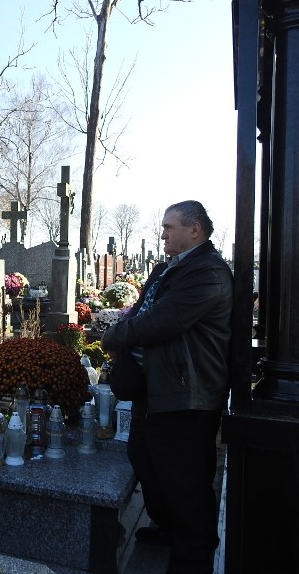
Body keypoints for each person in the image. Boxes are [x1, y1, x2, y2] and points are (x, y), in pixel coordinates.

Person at [102, 200, 232, 574]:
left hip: (184, 395)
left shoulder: (208, 272)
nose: (162, 234)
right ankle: (172, 529)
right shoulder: (168, 269)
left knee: (184, 480)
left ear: (195, 230)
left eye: (169, 227)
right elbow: (141, 310)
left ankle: (192, 556)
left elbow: (162, 321)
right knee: (146, 461)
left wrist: (115, 335)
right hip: (154, 390)